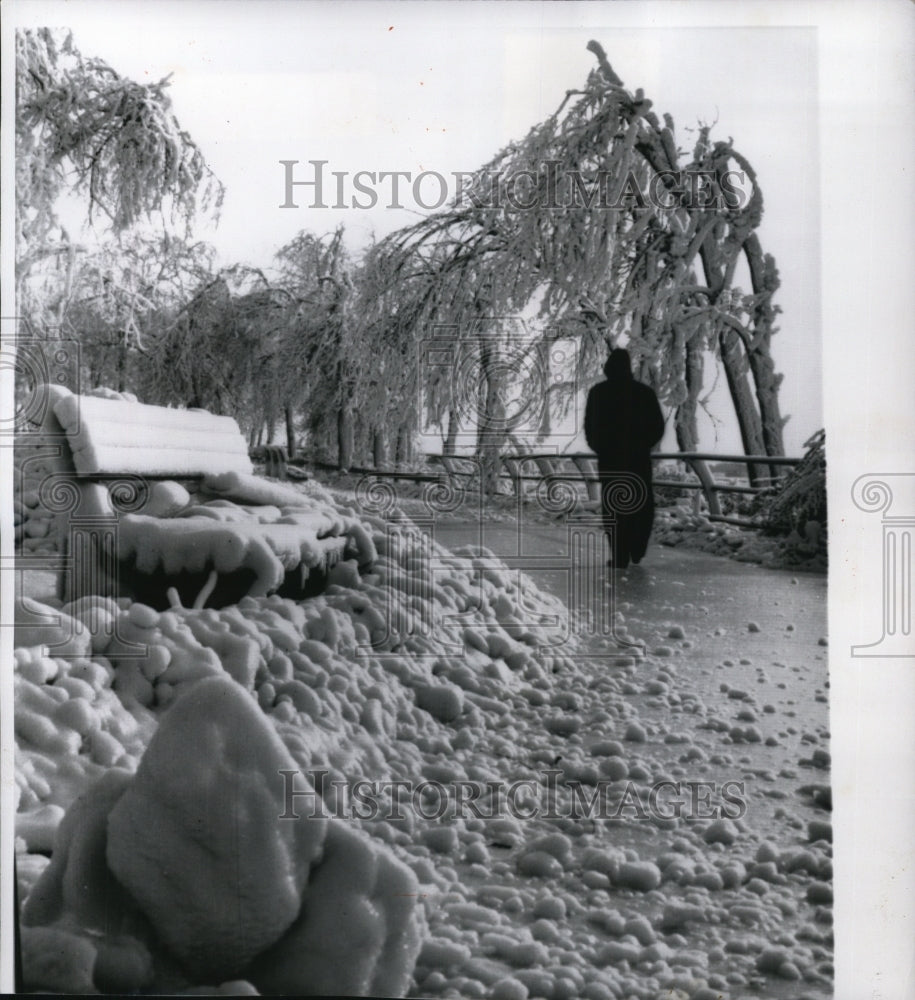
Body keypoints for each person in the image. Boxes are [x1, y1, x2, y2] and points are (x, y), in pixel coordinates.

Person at [584, 348, 665, 569]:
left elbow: (589, 427)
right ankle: (638, 549)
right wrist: (642, 446)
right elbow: (657, 426)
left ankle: (620, 555)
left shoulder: (598, 393)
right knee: (641, 505)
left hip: (610, 460)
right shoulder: (644, 393)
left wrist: (601, 447)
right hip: (638, 460)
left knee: (613, 507)